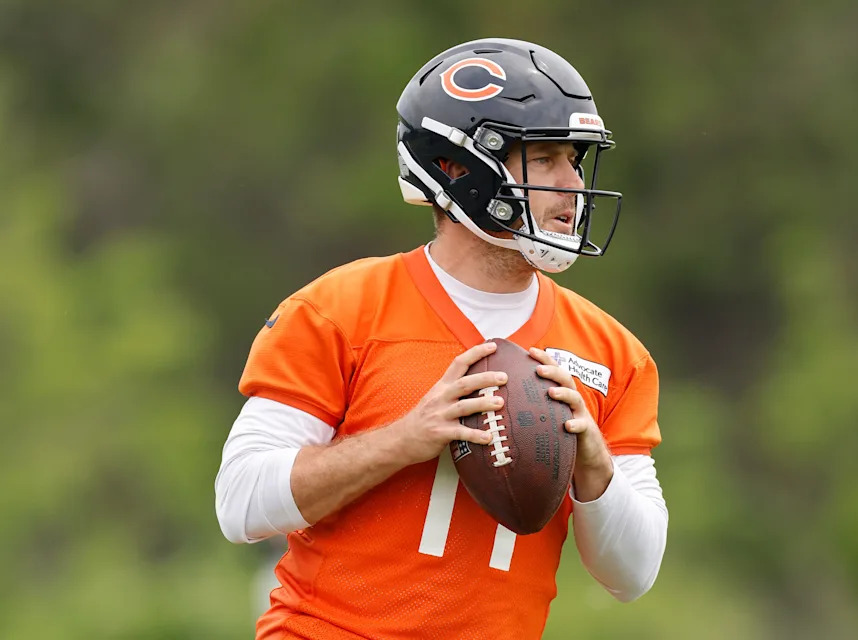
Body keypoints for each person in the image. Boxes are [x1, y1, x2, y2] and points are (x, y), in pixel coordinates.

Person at [215, 37, 668, 640]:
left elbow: (632, 575)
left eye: (577, 160)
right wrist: (407, 437)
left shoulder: (612, 353)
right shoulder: (340, 310)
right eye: (546, 157)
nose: (572, 185)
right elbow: (240, 503)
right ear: (458, 167)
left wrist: (594, 464)